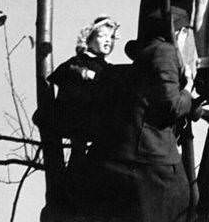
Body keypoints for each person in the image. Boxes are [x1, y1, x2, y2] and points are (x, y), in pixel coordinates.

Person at [81, 15, 193, 222]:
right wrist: (188, 91)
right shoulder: (164, 52)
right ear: (180, 33)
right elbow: (172, 106)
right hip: (148, 165)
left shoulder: (130, 70)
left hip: (111, 161)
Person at [48, 16, 120, 167]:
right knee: (78, 153)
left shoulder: (109, 69)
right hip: (78, 117)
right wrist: (85, 73)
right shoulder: (79, 61)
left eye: (112, 37)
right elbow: (62, 73)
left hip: (100, 121)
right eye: (102, 36)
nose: (108, 41)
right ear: (88, 39)